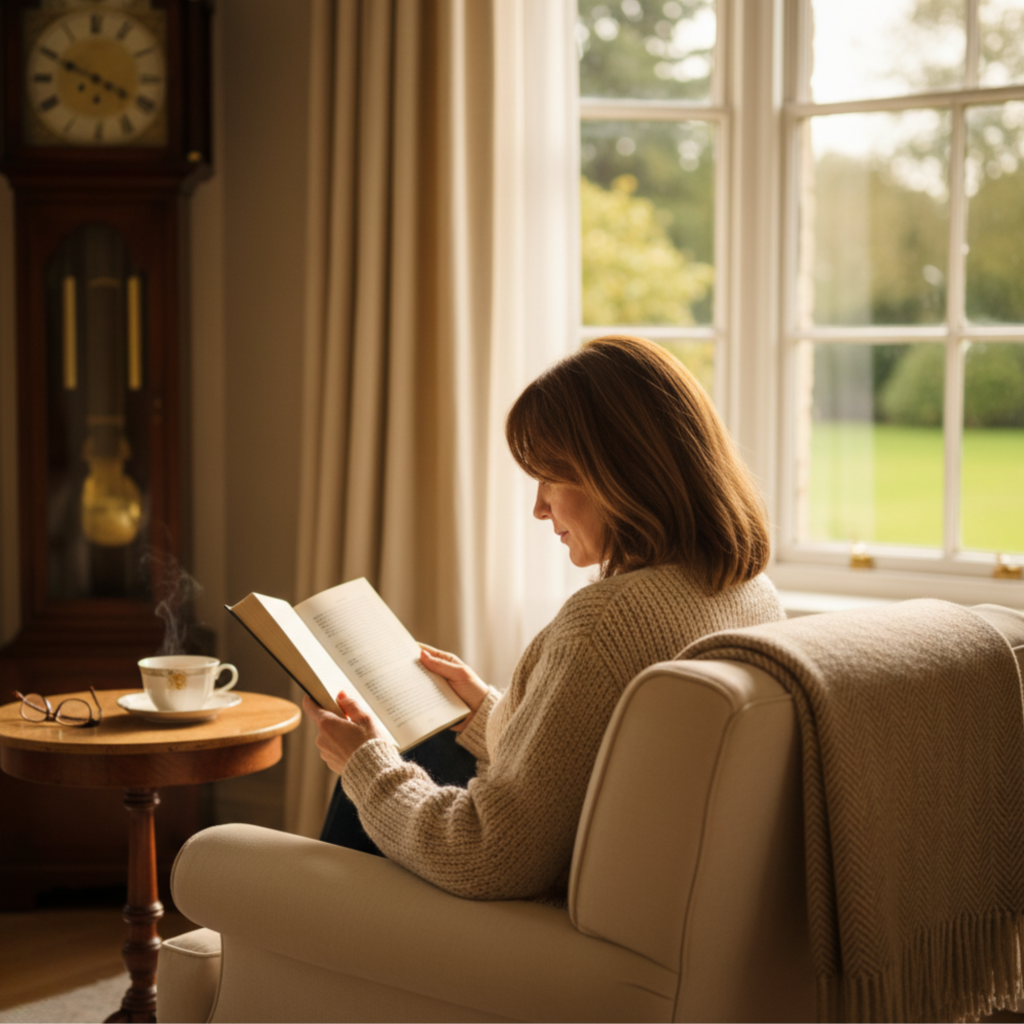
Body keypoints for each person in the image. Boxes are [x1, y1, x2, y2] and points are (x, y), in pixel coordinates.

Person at [302, 334, 785, 904]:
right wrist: (486, 712)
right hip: (672, 886)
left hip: (542, 902)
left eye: (552, 479)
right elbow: (601, 753)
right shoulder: (750, 591)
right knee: (419, 742)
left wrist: (364, 767)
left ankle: (315, 936)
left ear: (622, 475)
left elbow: (491, 856)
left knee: (382, 759)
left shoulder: (606, 621)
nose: (539, 506)